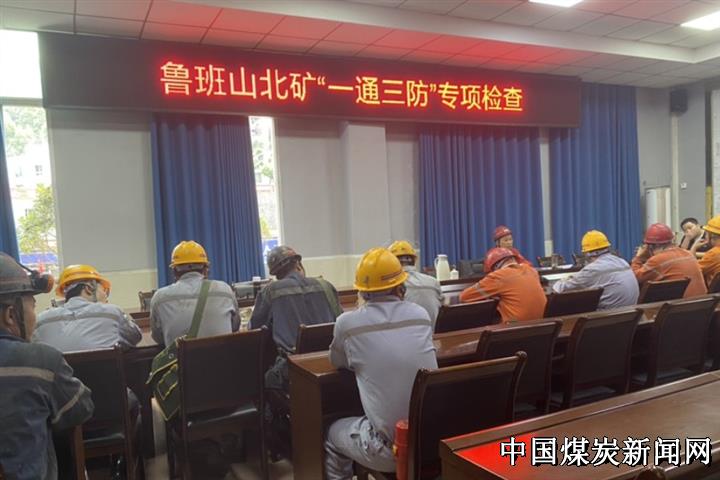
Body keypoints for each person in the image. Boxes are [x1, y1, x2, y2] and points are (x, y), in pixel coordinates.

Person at [324, 247, 437, 479]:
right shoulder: (420, 314)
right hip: (431, 440)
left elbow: (338, 361)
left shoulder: (348, 323)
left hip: (391, 449)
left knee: (331, 432)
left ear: (362, 291)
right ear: (400, 285)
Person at [0, 252, 94, 480]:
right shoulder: (41, 361)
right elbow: (81, 409)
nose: (34, 315)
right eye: (32, 306)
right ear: (11, 315)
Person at [250, 245, 342, 391]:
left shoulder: (271, 291)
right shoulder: (326, 286)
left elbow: (255, 329)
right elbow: (341, 321)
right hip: (331, 362)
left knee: (266, 379)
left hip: (293, 370)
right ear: (298, 263)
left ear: (275, 272)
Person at [33, 264, 142, 352]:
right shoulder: (112, 313)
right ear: (89, 288)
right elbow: (135, 337)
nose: (105, 295)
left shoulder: (41, 320)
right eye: (103, 290)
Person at [150, 240, 238, 347]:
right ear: (206, 269)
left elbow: (158, 337)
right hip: (223, 357)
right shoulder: (225, 290)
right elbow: (234, 326)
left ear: (174, 271)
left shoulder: (160, 298)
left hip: (182, 358)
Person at [552, 230, 639, 310]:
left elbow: (561, 289)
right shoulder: (622, 262)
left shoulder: (593, 270)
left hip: (608, 317)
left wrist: (560, 282)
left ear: (587, 253)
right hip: (630, 316)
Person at [459, 247, 546, 322]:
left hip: (516, 329)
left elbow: (464, 296)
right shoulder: (531, 270)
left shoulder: (498, 276)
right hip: (542, 326)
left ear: (496, 266)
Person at [631, 223, 707, 298]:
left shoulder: (658, 260)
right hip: (702, 302)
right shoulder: (687, 253)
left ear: (651, 246)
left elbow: (634, 278)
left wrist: (638, 258)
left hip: (681, 304)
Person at [388, 240, 443, 328]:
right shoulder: (434, 282)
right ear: (414, 260)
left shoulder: (391, 286)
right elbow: (442, 304)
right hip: (431, 334)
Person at [695, 215, 720, 286]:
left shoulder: (714, 253)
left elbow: (694, 270)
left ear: (712, 236)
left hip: (714, 292)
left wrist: (694, 248)